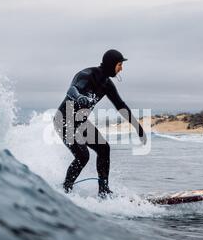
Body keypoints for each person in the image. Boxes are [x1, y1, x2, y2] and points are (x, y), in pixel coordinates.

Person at [53, 49, 147, 198]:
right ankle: (66, 189)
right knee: (82, 156)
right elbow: (72, 89)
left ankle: (103, 191)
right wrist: (79, 97)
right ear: (111, 64)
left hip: (80, 121)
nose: (121, 68)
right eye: (119, 64)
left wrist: (137, 126)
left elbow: (120, 105)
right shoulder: (87, 75)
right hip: (64, 120)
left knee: (104, 148)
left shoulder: (107, 85)